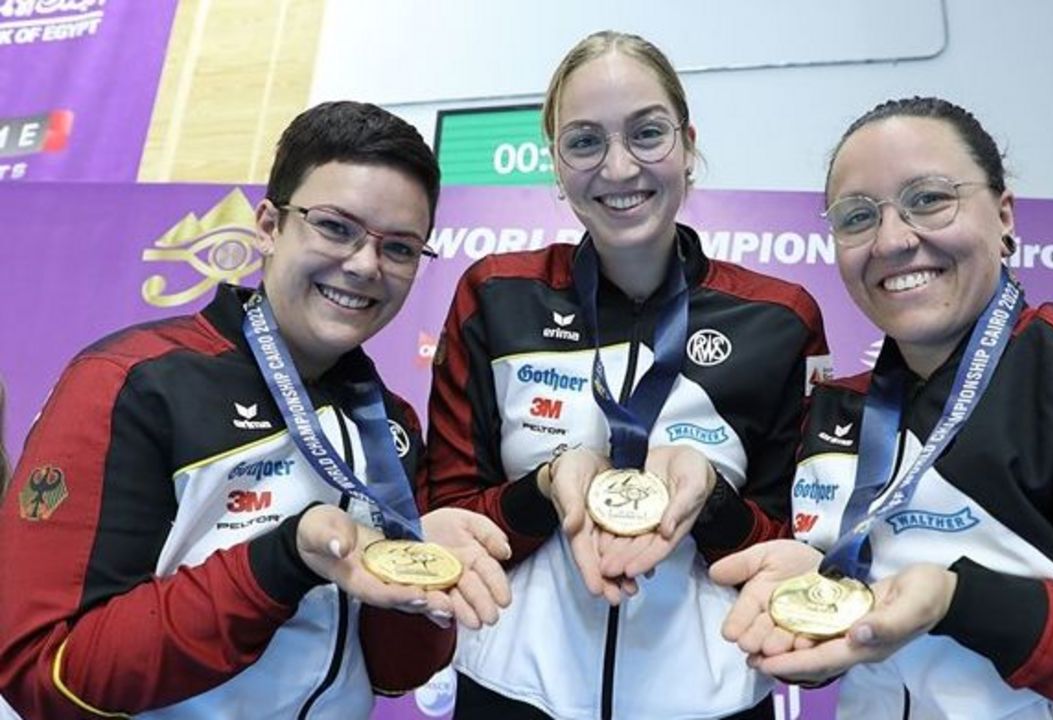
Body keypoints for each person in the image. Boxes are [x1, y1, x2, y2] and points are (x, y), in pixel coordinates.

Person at [711, 96, 1053, 719]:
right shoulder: (841, 408)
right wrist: (810, 595)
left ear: (1004, 216)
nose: (894, 239)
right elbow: (855, 650)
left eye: (929, 198)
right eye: (856, 217)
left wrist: (960, 601)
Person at [0, 101, 513, 719]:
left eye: (400, 248)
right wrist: (281, 561)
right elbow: (42, 670)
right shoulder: (131, 384)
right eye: (334, 226)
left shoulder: (391, 423)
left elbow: (393, 671)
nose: (364, 264)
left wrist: (427, 588)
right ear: (269, 225)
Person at [426, 31, 831, 720]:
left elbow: (791, 545)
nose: (619, 167)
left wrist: (710, 503)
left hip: (711, 704)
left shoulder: (780, 319)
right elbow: (454, 518)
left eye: (647, 133)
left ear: (687, 144)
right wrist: (548, 489)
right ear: (555, 163)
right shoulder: (496, 295)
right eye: (584, 142)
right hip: (512, 695)